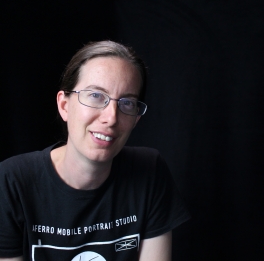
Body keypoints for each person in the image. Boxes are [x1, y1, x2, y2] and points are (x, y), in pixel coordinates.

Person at [0, 41, 190, 261]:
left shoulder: (150, 171)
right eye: (96, 96)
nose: (111, 118)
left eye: (127, 103)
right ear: (64, 106)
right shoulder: (11, 181)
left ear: (136, 118)